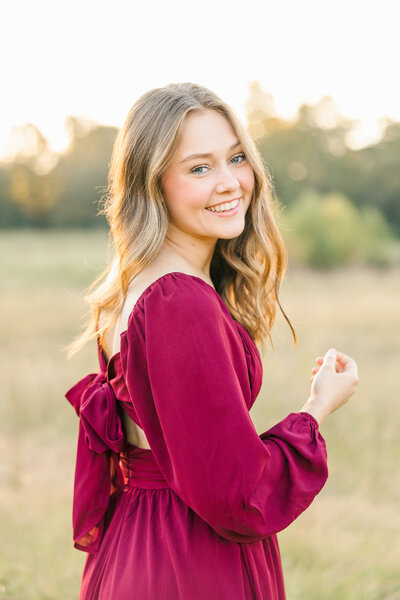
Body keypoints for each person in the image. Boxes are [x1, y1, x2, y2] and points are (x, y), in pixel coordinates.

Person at [65, 82, 359, 600]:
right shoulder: (178, 301)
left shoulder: (136, 286)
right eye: (199, 168)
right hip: (187, 558)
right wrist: (316, 410)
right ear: (154, 185)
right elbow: (237, 493)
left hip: (141, 541)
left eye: (237, 158)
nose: (230, 183)